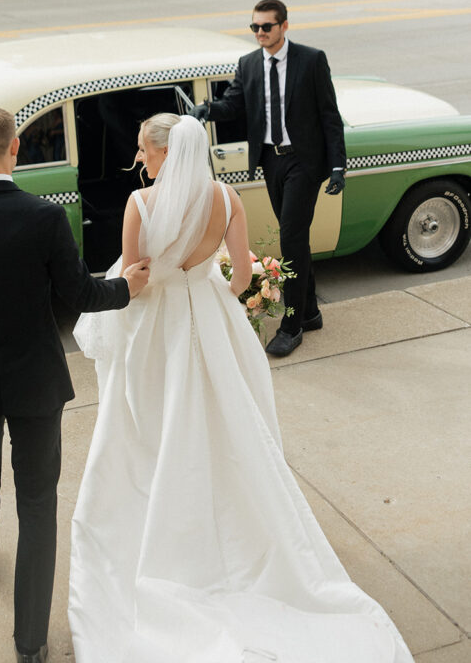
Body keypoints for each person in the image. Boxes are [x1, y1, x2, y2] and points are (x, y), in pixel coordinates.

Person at [68, 113, 414, 663]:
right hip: (210, 314)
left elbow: (133, 281)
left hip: (158, 325)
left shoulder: (141, 205)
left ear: (163, 152)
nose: (139, 158)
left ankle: (165, 502)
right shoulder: (226, 198)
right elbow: (242, 273)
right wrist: (220, 295)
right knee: (225, 413)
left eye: (143, 149)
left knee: (152, 416)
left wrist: (157, 283)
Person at [0, 105, 150, 663]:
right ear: (16, 149)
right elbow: (80, 295)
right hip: (36, 381)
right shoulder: (45, 217)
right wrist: (127, 287)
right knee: (38, 505)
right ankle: (31, 644)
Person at [191, 0, 346, 357]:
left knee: (291, 236)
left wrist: (338, 166)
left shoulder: (311, 60)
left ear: (284, 26)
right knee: (296, 237)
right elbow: (233, 105)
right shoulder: (248, 64)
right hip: (270, 162)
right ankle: (309, 311)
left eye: (266, 26)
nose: (260, 33)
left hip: (304, 163)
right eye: (254, 27)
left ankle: (291, 326)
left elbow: (329, 116)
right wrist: (208, 110)